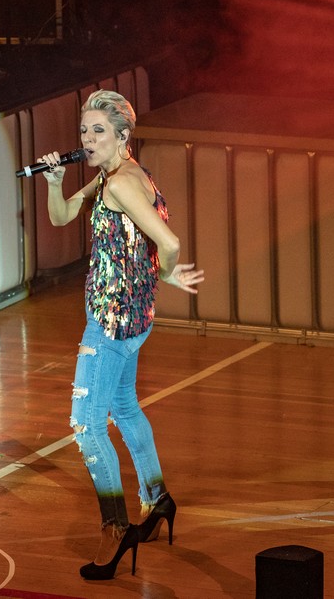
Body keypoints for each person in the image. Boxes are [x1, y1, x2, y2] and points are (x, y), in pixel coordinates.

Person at [38, 89, 204, 579]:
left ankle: (115, 528)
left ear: (123, 136)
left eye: (99, 131)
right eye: (84, 130)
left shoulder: (121, 185)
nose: (87, 139)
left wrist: (167, 271)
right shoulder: (114, 175)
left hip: (111, 322)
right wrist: (55, 182)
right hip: (133, 317)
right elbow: (61, 216)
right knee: (125, 407)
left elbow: (168, 241)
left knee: (86, 426)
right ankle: (156, 499)